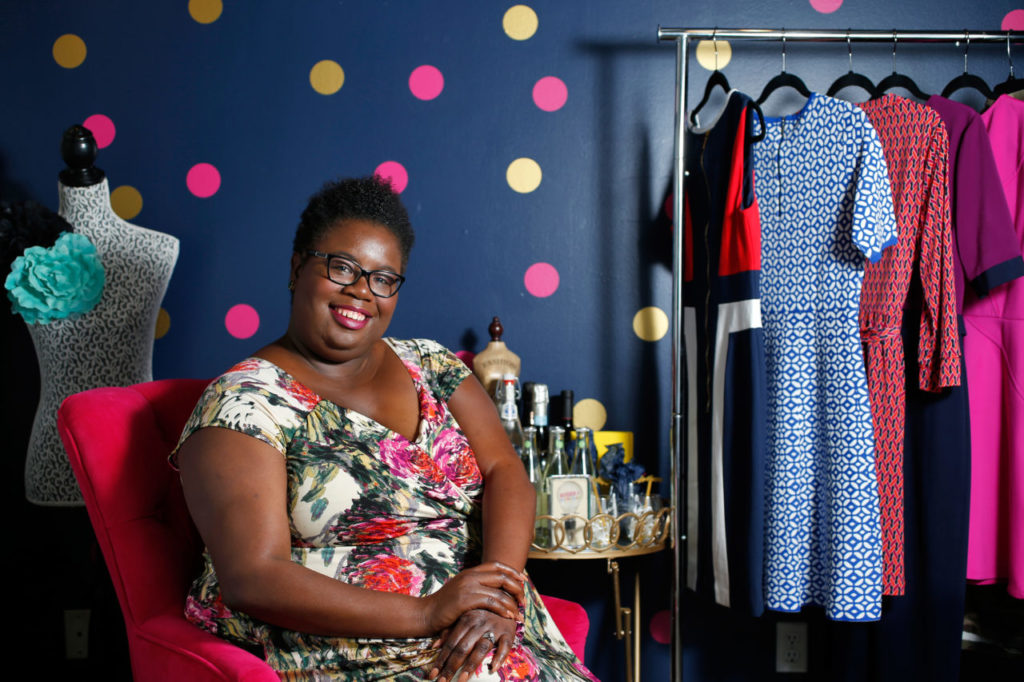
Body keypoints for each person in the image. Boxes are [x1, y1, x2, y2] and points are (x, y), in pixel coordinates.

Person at [174, 176, 595, 681]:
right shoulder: (246, 403)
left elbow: (506, 470)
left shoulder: (431, 365)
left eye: (383, 278)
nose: (361, 292)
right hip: (356, 652)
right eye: (341, 267)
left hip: (487, 630)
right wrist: (427, 612)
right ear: (296, 267)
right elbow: (253, 577)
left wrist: (497, 595)